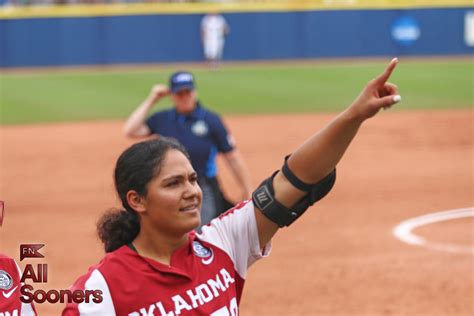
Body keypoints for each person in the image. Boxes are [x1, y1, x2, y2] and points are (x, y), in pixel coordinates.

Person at [63, 59, 401, 315]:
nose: (192, 192)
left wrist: (353, 117)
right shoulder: (102, 289)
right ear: (136, 200)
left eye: (193, 179)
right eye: (173, 183)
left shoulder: (222, 242)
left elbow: (294, 180)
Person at [123, 71, 252, 229]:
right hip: (170, 185)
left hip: (203, 187)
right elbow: (130, 130)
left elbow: (233, 158)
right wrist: (153, 98)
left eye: (188, 92)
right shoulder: (163, 119)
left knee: (197, 231)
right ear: (172, 95)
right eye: (179, 93)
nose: (185, 97)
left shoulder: (211, 120)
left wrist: (246, 189)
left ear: (194, 92)